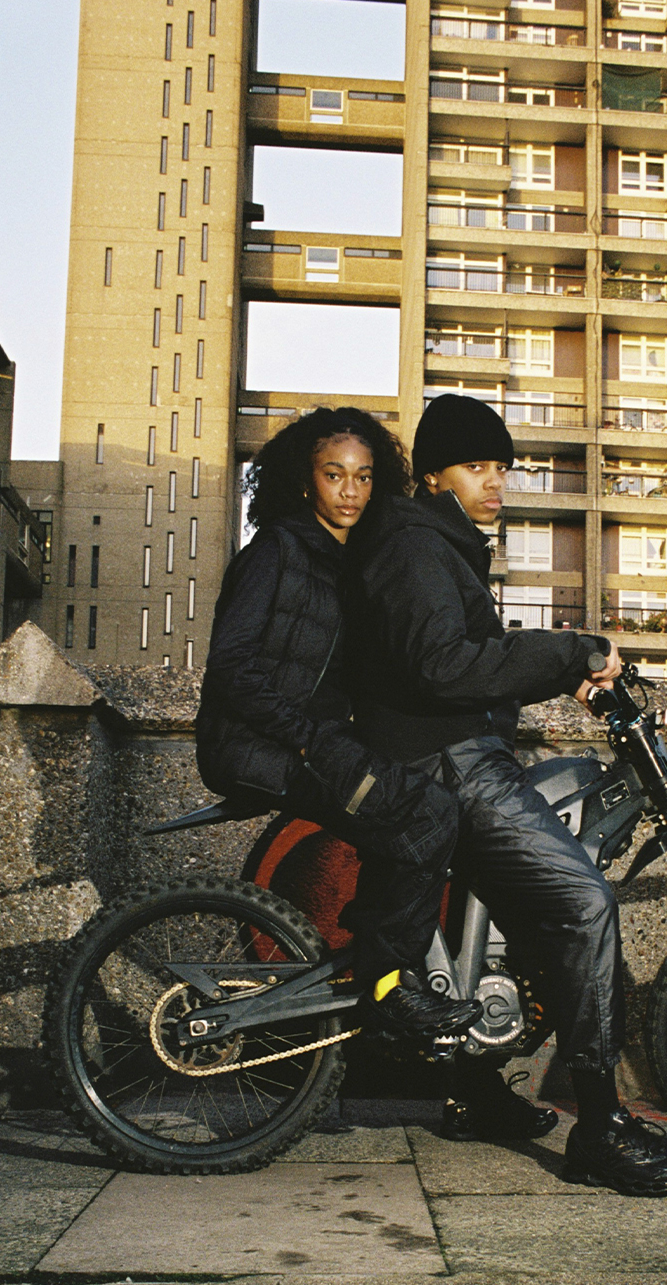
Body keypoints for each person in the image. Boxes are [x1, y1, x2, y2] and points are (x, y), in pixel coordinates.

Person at [348, 394, 667, 1196]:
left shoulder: (439, 546)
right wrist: (572, 649)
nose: (496, 482)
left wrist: (563, 677)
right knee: (582, 905)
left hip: (447, 754)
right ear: (434, 473)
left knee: (500, 932)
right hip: (449, 764)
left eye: (502, 467)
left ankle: (474, 1092)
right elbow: (444, 667)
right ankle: (602, 1130)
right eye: (477, 467)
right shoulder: (414, 545)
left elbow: (467, 661)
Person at [195, 406, 481, 1040]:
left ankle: (371, 985)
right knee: (429, 812)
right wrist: (304, 735)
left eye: (364, 476)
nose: (350, 491)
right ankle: (387, 989)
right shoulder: (278, 549)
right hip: (258, 746)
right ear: (306, 481)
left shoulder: (347, 563)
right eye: (334, 475)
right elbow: (230, 667)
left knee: (404, 809)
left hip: (308, 745)